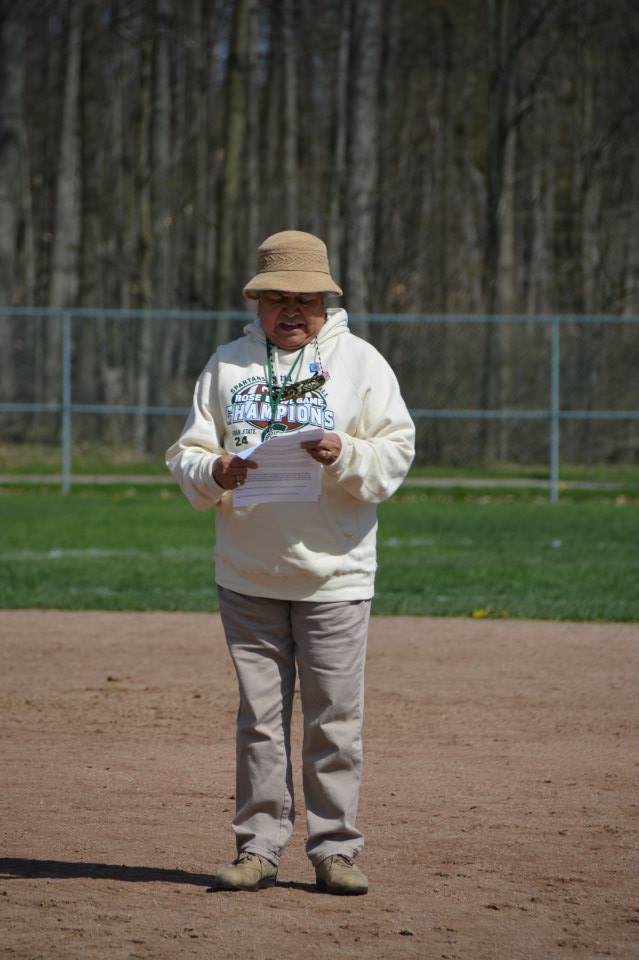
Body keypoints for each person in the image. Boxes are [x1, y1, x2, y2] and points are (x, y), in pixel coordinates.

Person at [166, 230, 415, 895]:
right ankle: (258, 848)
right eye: (278, 297)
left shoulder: (361, 363)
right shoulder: (227, 365)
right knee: (259, 723)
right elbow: (186, 453)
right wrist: (215, 468)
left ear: (326, 301)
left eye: (306, 298)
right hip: (247, 574)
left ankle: (335, 850)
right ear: (259, 300)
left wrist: (346, 455)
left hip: (335, 575)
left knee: (333, 722)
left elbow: (395, 451)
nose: (292, 311)